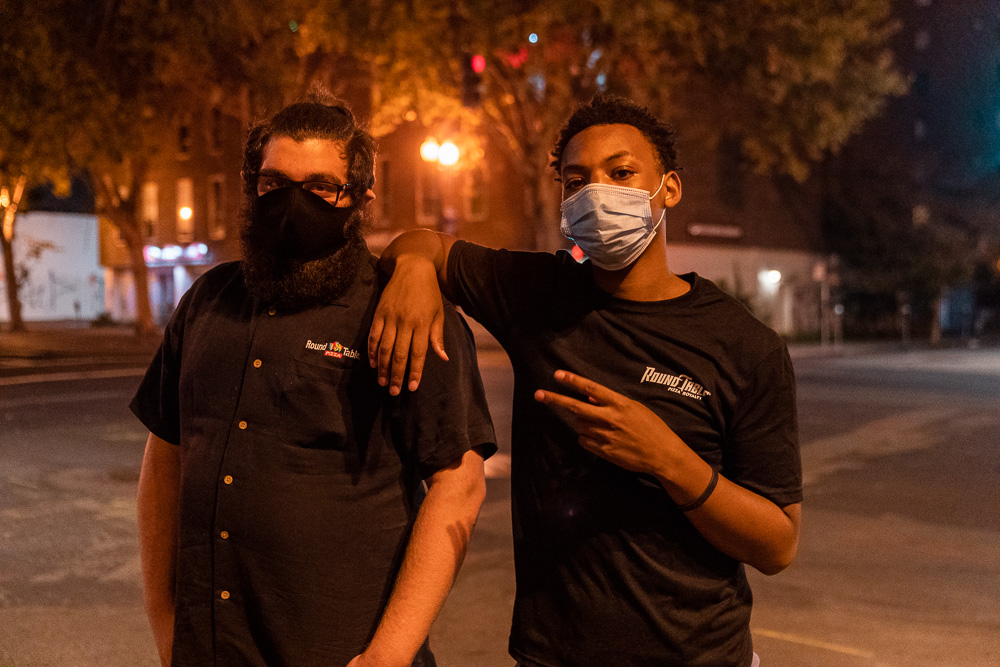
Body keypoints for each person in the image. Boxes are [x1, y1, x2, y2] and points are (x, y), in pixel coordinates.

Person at [369, 94, 802, 666]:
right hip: (553, 657)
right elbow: (421, 242)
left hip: (701, 656)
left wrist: (670, 460)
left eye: (621, 173)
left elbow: (777, 545)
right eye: (577, 181)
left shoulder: (747, 347)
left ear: (668, 188)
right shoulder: (539, 294)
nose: (597, 192)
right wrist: (414, 269)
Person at [132, 95, 496, 667]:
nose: (294, 203)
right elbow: (165, 458)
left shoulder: (401, 311)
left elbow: (460, 482)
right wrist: (167, 625)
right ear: (253, 185)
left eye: (320, 186)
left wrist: (387, 656)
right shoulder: (206, 301)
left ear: (359, 199)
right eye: (275, 182)